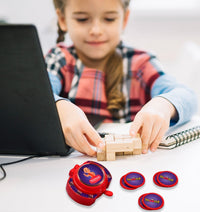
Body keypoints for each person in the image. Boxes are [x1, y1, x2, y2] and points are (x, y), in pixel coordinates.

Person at [45, 0, 198, 156]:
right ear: (62, 20)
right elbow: (35, 96)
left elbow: (187, 95)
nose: (96, 30)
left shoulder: (141, 63)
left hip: (133, 167)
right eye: (82, 19)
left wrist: (164, 105)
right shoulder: (58, 59)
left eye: (109, 19)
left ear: (124, 19)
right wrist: (59, 106)